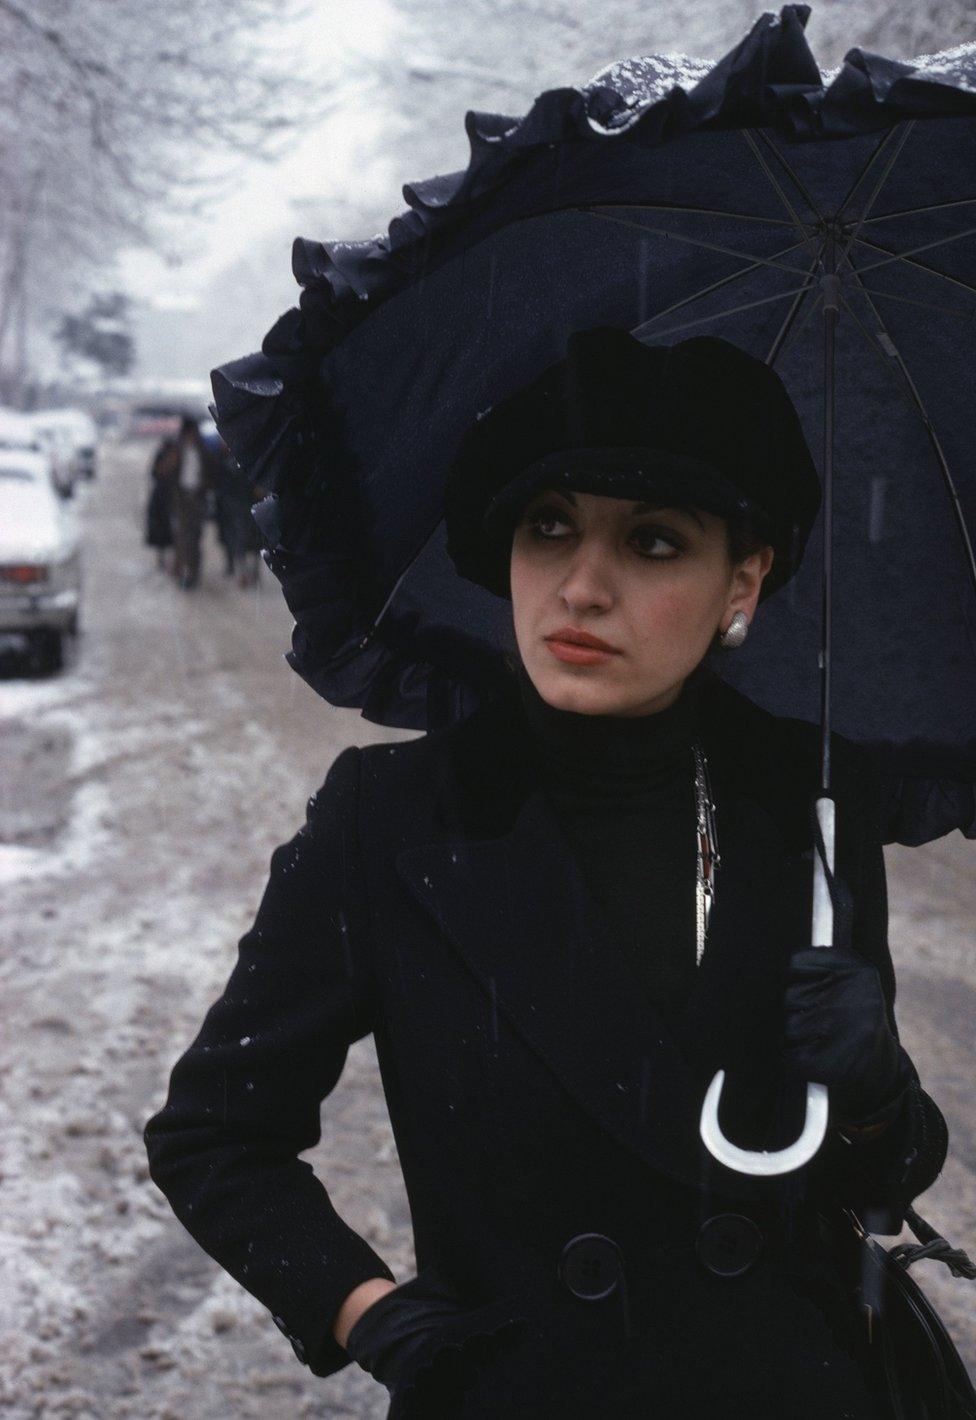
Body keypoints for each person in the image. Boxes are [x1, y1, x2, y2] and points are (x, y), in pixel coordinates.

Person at [143, 327, 948, 1418]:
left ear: (742, 581)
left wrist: (870, 1091)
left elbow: (875, 1174)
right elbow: (214, 1132)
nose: (580, 586)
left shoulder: (806, 804)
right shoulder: (389, 822)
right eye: (549, 527)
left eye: (654, 543)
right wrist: (367, 1309)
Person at [171, 414, 216, 589]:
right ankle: (184, 572)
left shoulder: (203, 451)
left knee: (195, 537)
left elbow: (212, 474)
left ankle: (193, 572)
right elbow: (168, 475)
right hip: (182, 500)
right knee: (183, 539)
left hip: (197, 499)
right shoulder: (177, 450)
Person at [144, 434, 178, 571]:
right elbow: (154, 473)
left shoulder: (176, 455)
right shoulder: (161, 455)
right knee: (160, 530)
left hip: (170, 497)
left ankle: (172, 560)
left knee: (171, 530)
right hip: (160, 498)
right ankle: (162, 559)